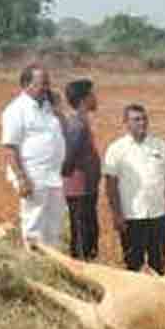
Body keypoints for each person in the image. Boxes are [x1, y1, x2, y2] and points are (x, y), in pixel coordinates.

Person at [103, 104, 165, 274]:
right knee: (133, 265)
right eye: (136, 119)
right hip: (132, 216)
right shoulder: (116, 149)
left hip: (158, 215)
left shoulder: (160, 145)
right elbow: (110, 185)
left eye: (144, 119)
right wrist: (117, 214)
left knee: (159, 263)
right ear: (125, 123)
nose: (142, 123)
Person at [1, 64, 66, 248]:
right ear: (26, 85)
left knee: (54, 224)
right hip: (33, 174)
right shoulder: (16, 110)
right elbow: (10, 148)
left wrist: (57, 107)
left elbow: (63, 128)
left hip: (53, 175)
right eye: (42, 84)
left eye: (48, 83)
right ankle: (35, 264)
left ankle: (54, 265)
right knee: (34, 222)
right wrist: (22, 178)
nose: (47, 88)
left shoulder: (48, 107)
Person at [61, 79, 101, 260]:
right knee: (82, 236)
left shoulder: (80, 121)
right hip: (79, 189)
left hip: (85, 188)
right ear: (84, 99)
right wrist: (72, 176)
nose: (96, 98)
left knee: (88, 233)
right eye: (93, 94)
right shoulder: (76, 124)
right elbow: (68, 156)